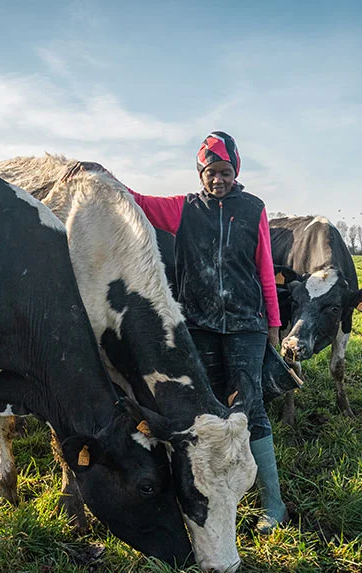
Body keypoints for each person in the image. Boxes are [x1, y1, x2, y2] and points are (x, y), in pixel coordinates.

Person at [126, 131, 289, 533]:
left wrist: (272, 324)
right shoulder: (183, 209)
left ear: (236, 172)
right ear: (200, 174)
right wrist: (103, 176)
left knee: (251, 406)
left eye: (225, 172)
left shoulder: (253, 209)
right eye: (211, 172)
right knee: (210, 407)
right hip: (199, 324)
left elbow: (265, 268)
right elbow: (139, 201)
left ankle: (273, 501)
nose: (219, 179)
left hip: (246, 323)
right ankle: (219, 488)